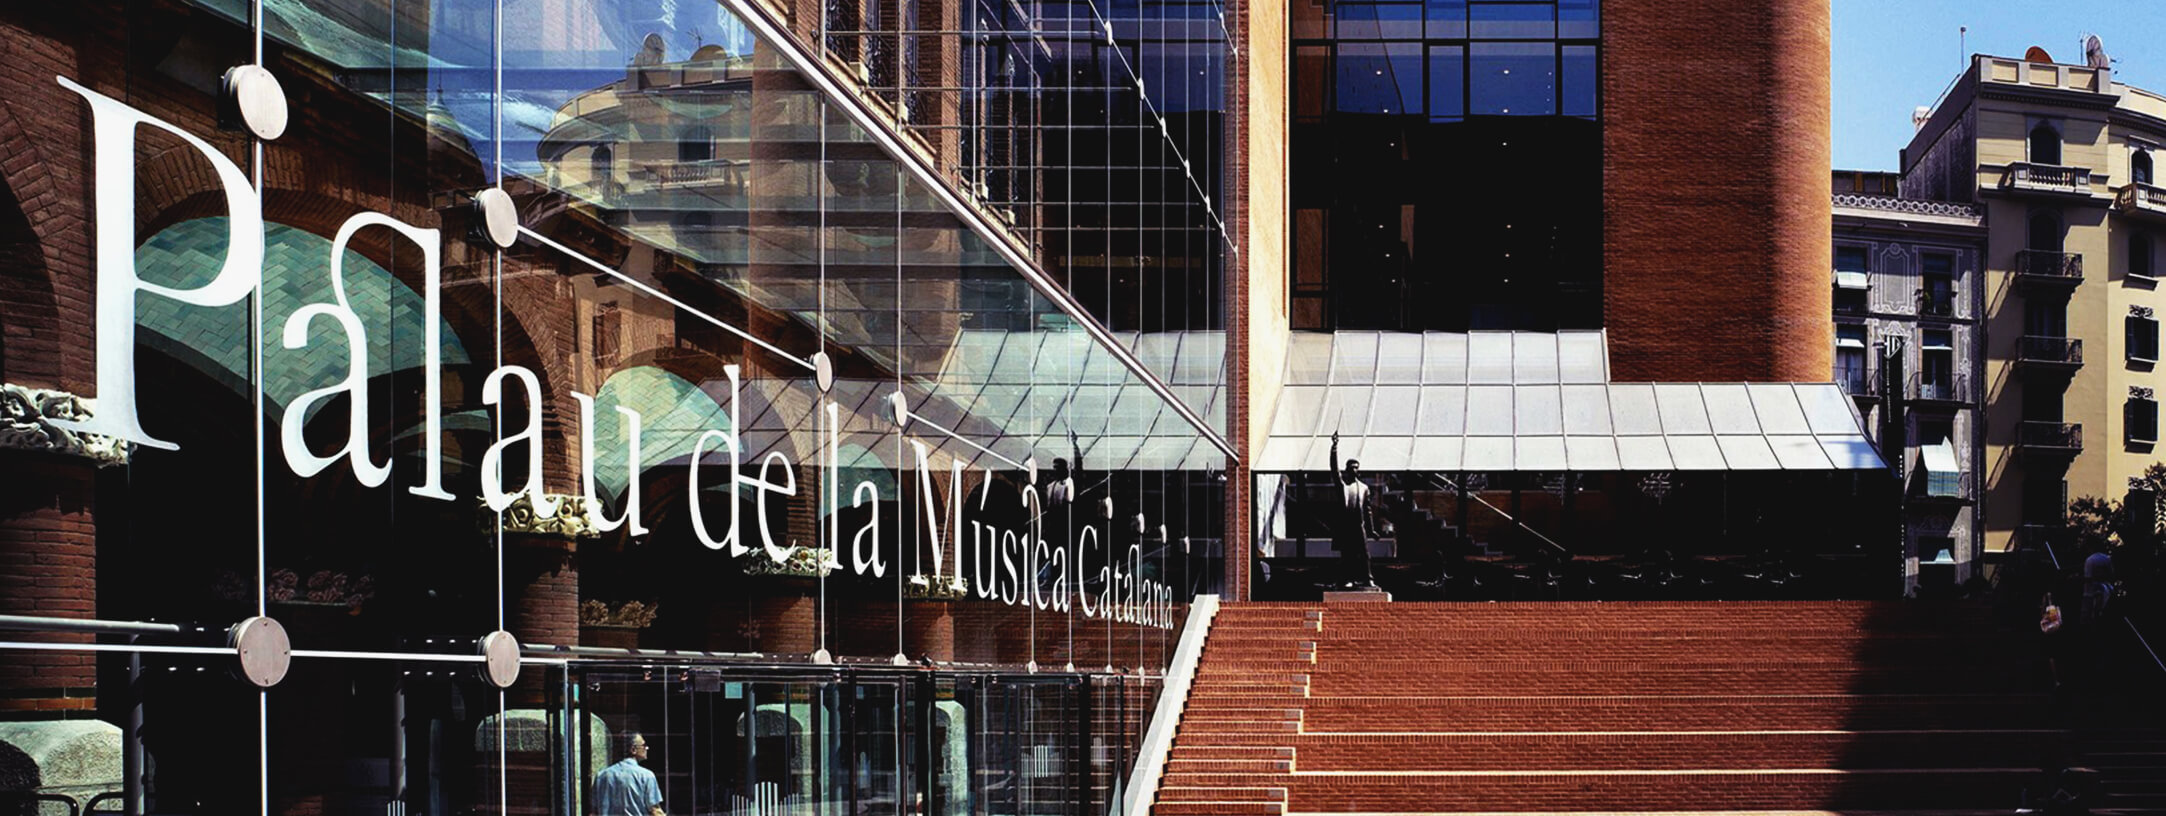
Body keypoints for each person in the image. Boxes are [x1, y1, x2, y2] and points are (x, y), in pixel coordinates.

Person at [1328, 432, 1379, 589]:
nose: (1354, 470)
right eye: (1351, 468)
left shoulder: (1364, 488)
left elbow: (1367, 510)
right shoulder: (1342, 486)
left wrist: (1371, 530)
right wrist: (1334, 448)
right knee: (1347, 555)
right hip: (1345, 526)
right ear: (1347, 470)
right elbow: (1334, 470)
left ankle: (1368, 579)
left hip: (1359, 526)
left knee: (1364, 554)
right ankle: (1345, 580)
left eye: (1356, 468)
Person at [594, 733, 664, 816]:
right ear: (633, 749)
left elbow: (594, 810)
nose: (647, 748)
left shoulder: (601, 776)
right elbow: (655, 810)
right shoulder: (646, 776)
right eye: (644, 745)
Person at [2039, 592, 2065, 688]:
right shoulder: (2050, 603)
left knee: (2053, 655)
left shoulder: (2053, 605)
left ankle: (2057, 680)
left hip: (2054, 631)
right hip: (2052, 631)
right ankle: (2056, 679)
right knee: (2052, 655)